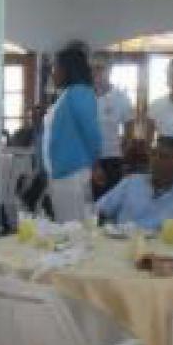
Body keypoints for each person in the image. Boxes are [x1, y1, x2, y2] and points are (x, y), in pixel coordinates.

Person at [43, 43, 102, 223]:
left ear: (68, 69)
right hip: (61, 172)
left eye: (56, 67)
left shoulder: (80, 92)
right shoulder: (67, 94)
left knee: (72, 228)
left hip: (72, 172)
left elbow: (92, 134)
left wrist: (95, 164)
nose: (53, 73)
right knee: (67, 225)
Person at [95, 135, 173, 233]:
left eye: (164, 157)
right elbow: (99, 210)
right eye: (153, 154)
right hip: (124, 240)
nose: (155, 160)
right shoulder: (131, 182)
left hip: (161, 244)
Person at [91, 54, 135, 200]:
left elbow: (129, 131)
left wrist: (123, 157)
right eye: (92, 69)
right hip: (86, 159)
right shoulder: (84, 96)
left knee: (109, 203)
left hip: (112, 159)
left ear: (109, 70)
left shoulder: (121, 98)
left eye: (99, 68)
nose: (95, 72)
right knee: (87, 204)